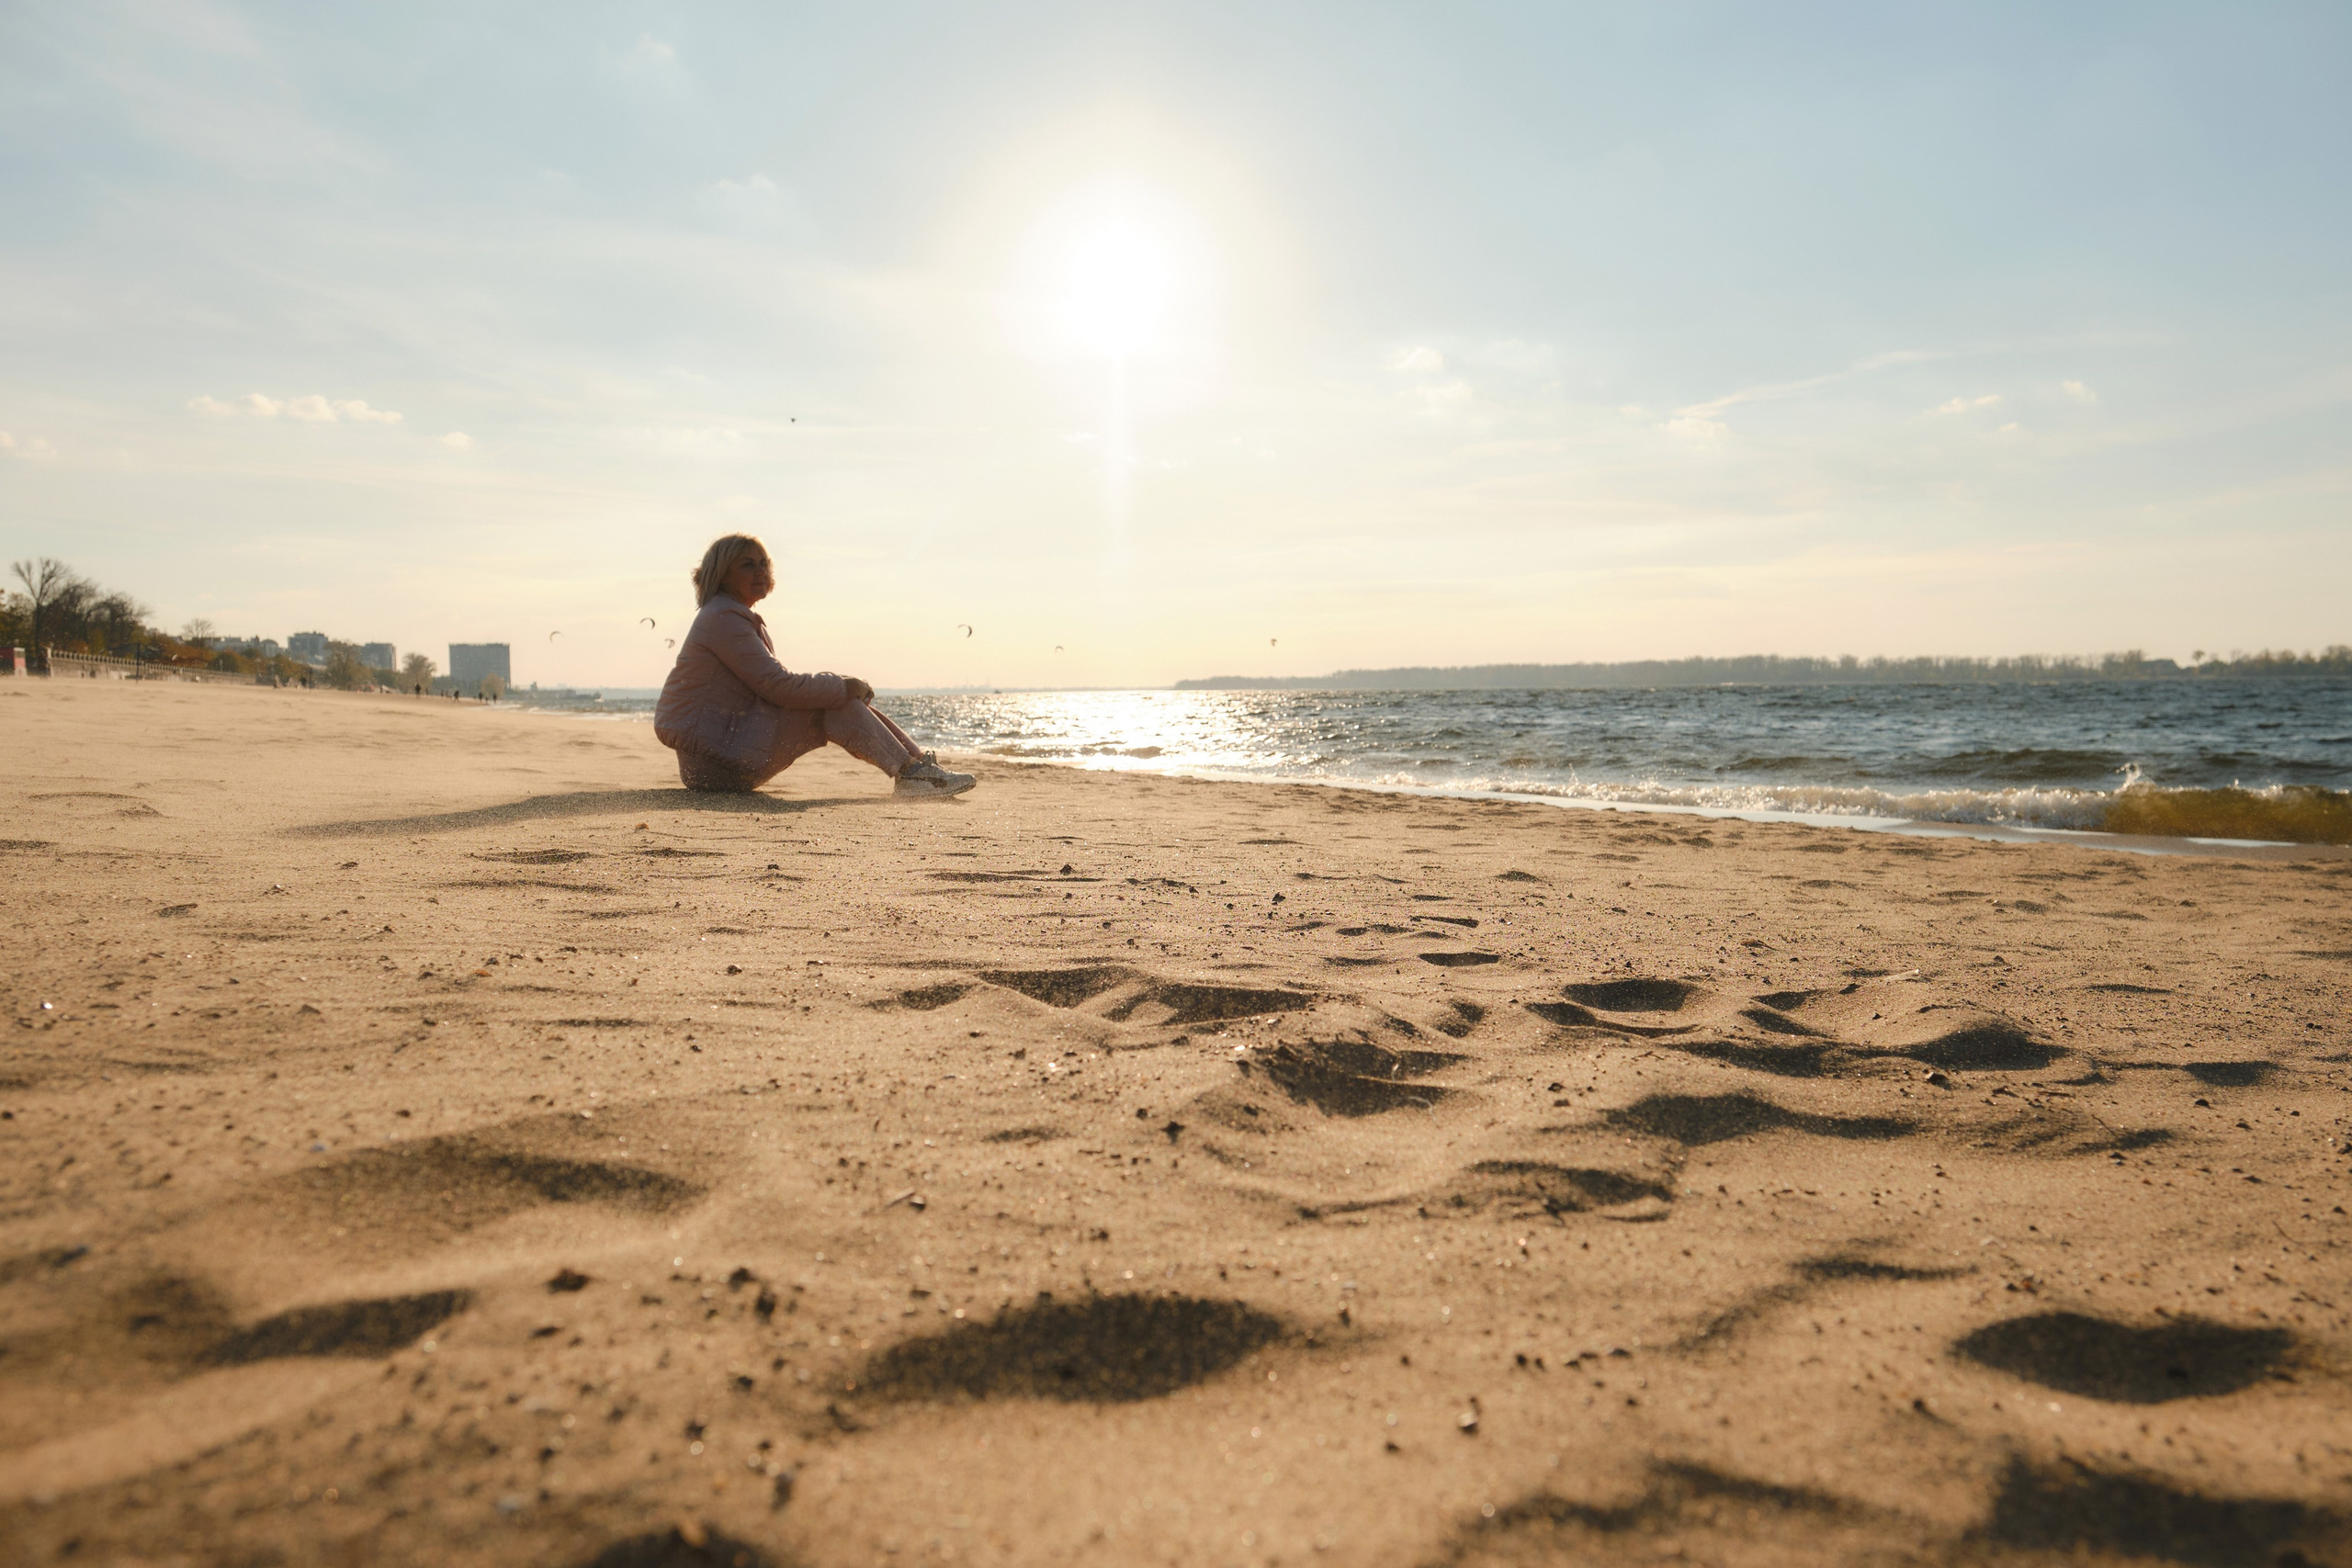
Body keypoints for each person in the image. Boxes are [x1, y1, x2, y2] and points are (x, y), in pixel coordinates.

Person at [654, 534, 976, 799]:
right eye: (748, 565)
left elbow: (769, 688)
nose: (760, 572)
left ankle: (916, 766)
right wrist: (842, 686)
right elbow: (777, 686)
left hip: (718, 756)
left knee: (835, 697)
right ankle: (912, 774)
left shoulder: (728, 615)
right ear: (723, 574)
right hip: (716, 764)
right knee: (833, 701)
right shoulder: (724, 619)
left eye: (764, 564)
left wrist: (840, 688)